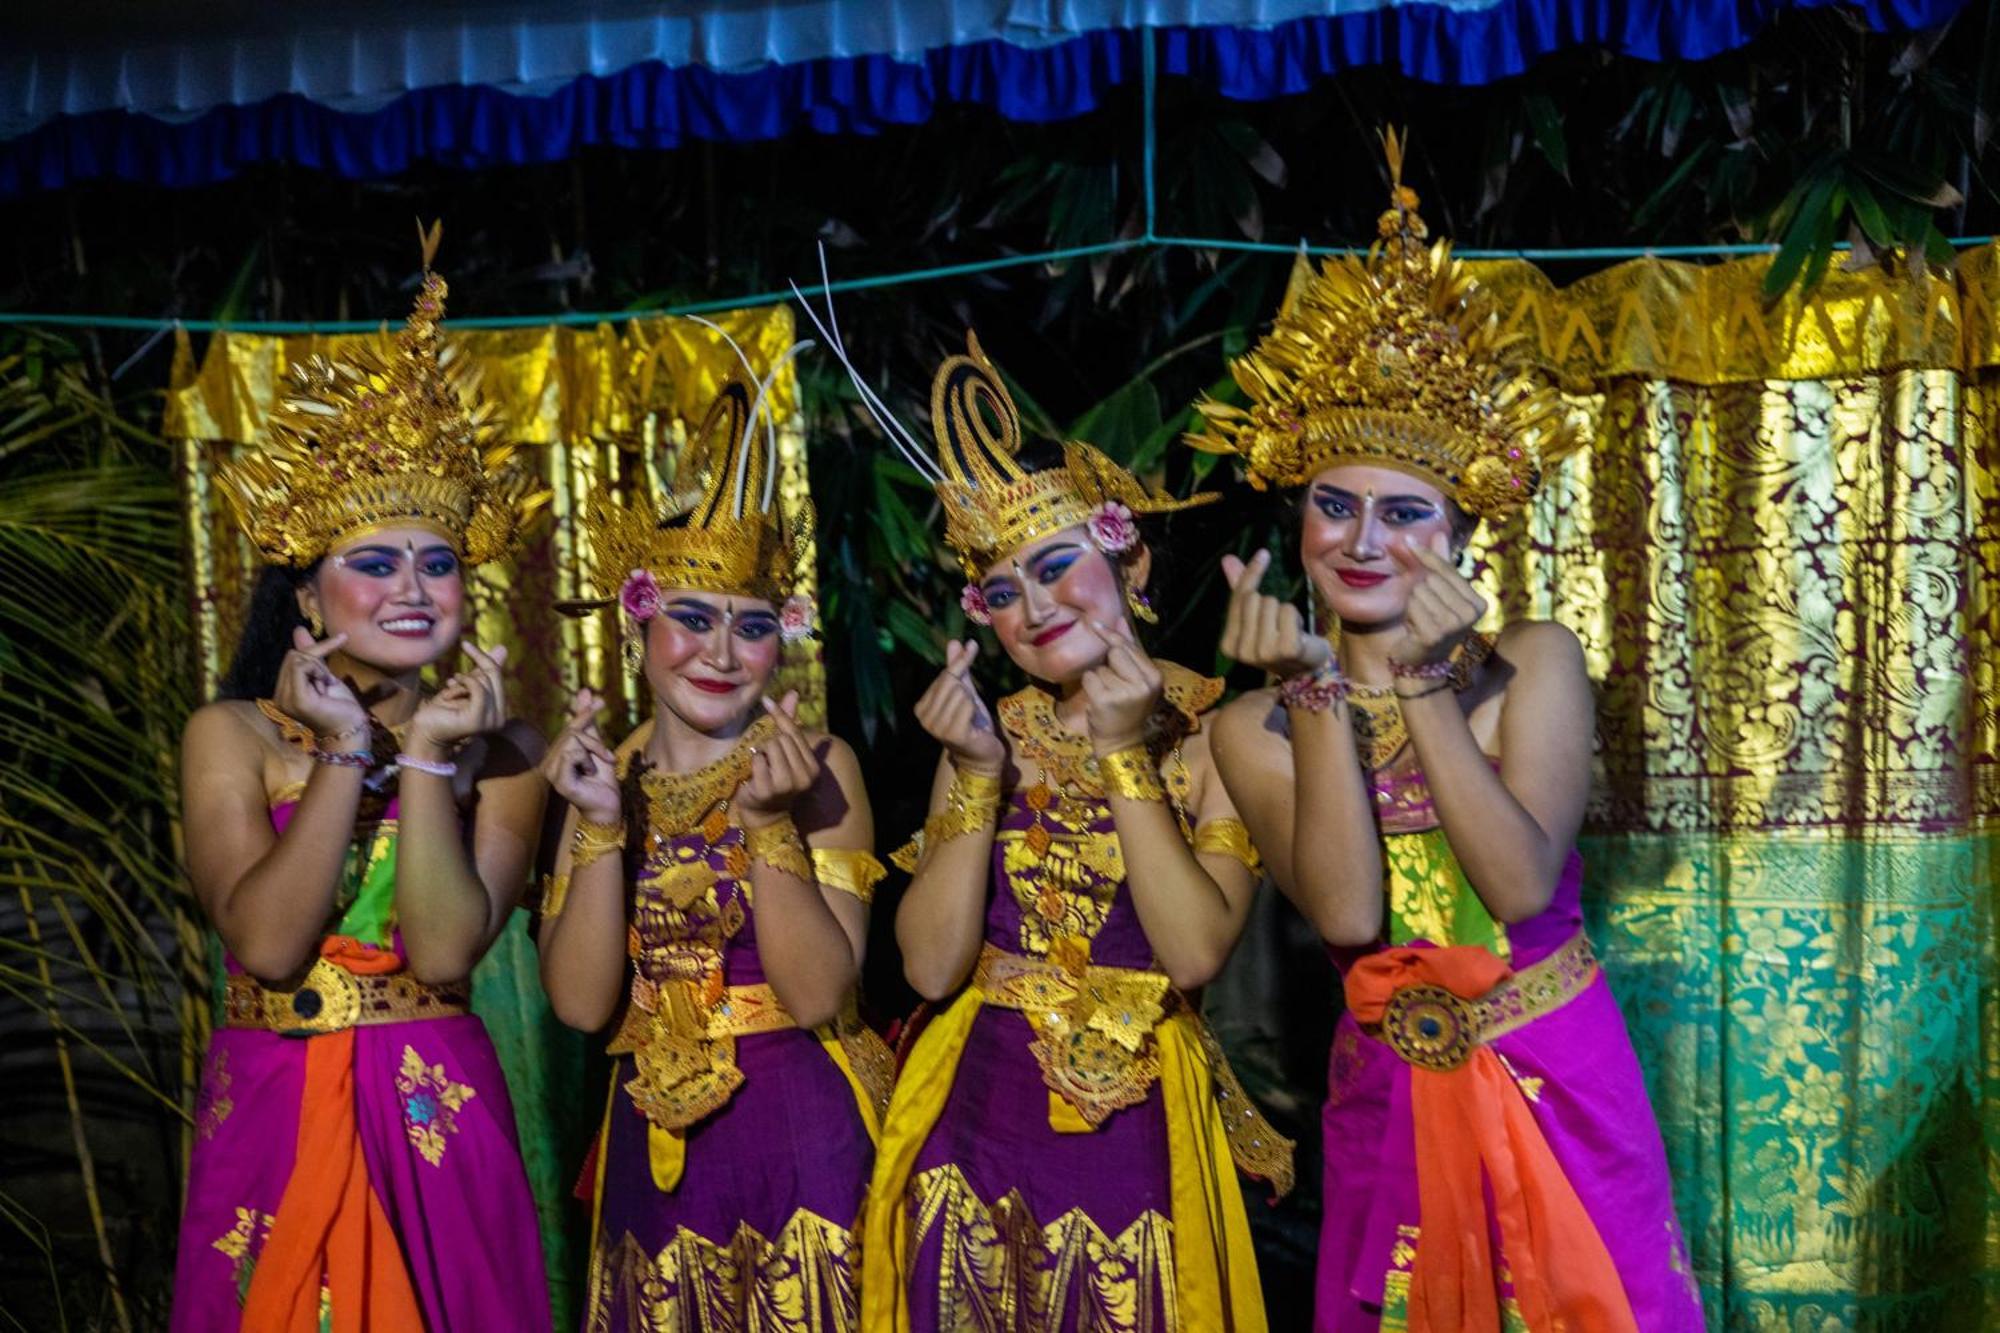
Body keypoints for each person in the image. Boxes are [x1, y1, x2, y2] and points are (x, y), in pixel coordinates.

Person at [1188, 132, 1704, 1332]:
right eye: (1335, 505)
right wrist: (1321, 688)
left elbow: (1518, 884)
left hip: (1554, 1072)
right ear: (1300, 517)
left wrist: (1418, 681)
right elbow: (1350, 918)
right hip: (1389, 1090)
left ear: (1462, 534)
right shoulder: (1252, 722)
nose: (1364, 540)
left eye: (1405, 512)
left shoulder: (1530, 661)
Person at [796, 287, 1292, 1330]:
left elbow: (1194, 952)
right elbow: (929, 970)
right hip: (977, 1111)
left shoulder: (1212, 734)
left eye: (1055, 568)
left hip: (1139, 1118)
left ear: (1133, 563)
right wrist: (973, 772)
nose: (1033, 608)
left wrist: (1122, 757)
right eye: (999, 590)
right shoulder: (994, 738)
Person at [170, 228, 554, 1332]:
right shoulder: (229, 734)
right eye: (373, 563)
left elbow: (440, 953)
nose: (411, 587)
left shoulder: (507, 754)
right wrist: (344, 752)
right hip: (274, 1101)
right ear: (305, 599)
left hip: (432, 1097)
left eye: (436, 561)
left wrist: (428, 758)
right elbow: (269, 942)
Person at [536, 356, 892, 1332]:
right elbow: (577, 1002)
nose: (721, 654)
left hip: (801, 1121)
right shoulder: (602, 773)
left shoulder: (820, 768)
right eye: (692, 619)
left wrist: (769, 825)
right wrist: (603, 828)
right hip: (651, 1131)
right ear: (639, 616)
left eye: (751, 626)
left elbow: (823, 993)